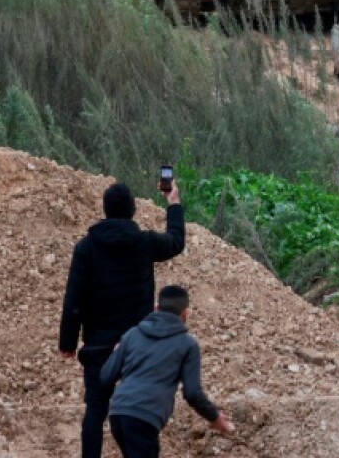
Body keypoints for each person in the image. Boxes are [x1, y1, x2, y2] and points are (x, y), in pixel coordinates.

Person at [60, 181, 186, 458]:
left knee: (95, 410)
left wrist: (67, 342)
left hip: (98, 345)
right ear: (132, 210)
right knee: (137, 409)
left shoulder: (86, 248)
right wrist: (173, 202)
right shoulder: (145, 243)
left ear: (105, 210)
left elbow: (74, 298)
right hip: (137, 347)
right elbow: (176, 241)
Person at [101, 285, 235, 457]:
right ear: (185, 314)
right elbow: (192, 393)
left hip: (118, 414)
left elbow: (106, 376)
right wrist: (215, 418)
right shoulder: (187, 344)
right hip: (145, 418)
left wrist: (116, 354)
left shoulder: (132, 334)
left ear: (156, 308)